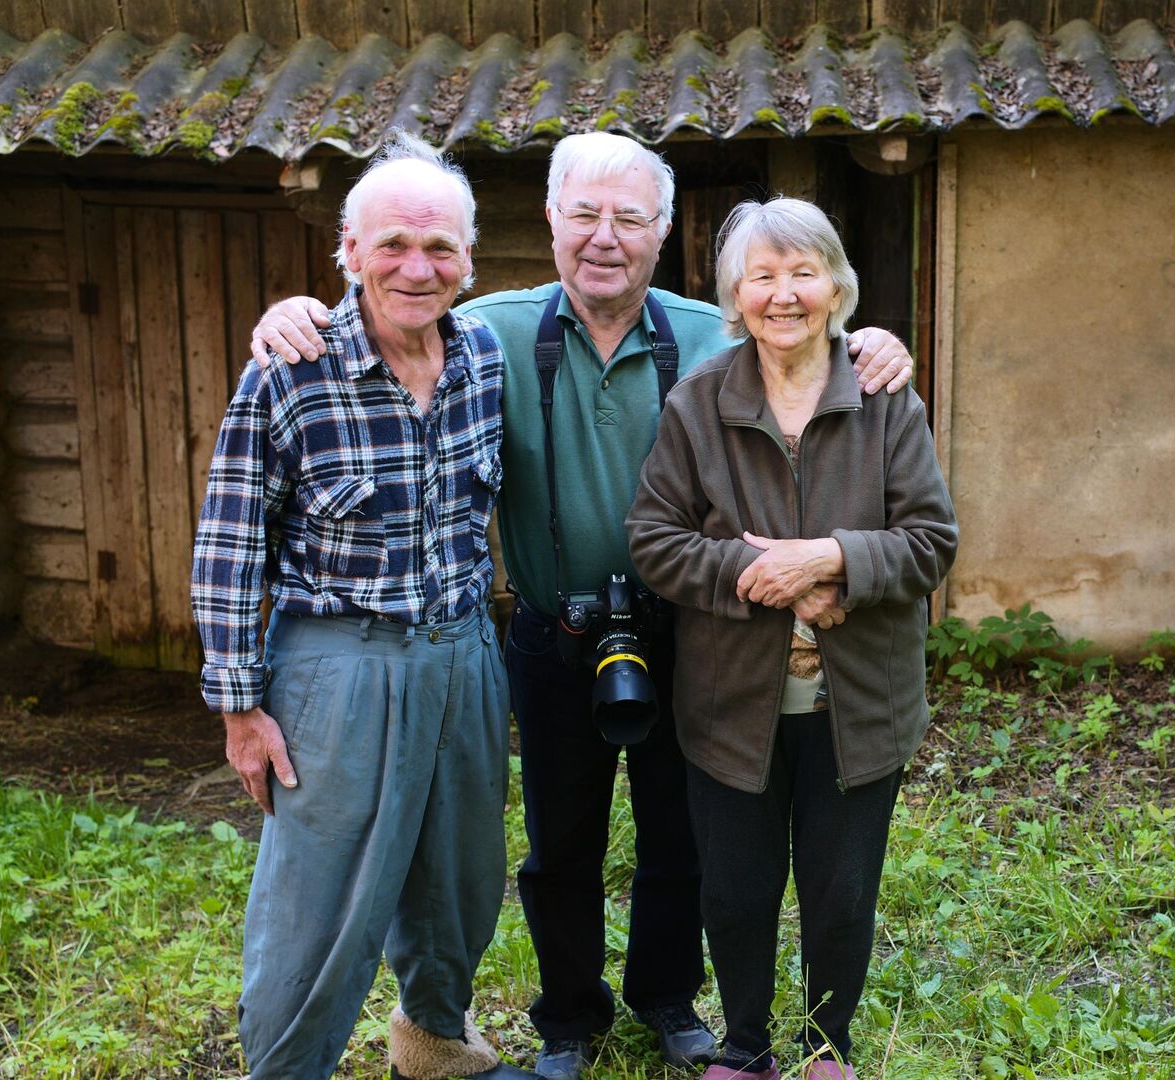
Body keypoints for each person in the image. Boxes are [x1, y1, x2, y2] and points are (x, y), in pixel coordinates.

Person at [250, 132, 917, 1079]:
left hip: (692, 628)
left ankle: (667, 1000)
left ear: (663, 231)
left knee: (680, 835)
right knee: (557, 843)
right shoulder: (489, 329)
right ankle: (567, 1017)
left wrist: (876, 341)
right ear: (551, 222)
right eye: (586, 215)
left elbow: (804, 328)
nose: (606, 238)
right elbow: (394, 302)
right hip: (547, 631)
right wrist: (297, 315)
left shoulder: (710, 332)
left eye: (631, 218)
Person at [191, 131, 536, 1080]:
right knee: (319, 906)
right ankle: (286, 1066)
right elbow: (228, 549)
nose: (416, 269)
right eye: (391, 245)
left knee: (460, 878)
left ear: (470, 260)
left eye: (440, 249)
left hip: (464, 656)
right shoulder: (288, 369)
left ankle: (432, 1038)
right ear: (348, 250)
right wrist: (240, 709)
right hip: (339, 668)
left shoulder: (484, 361)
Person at [626, 197, 957, 1080]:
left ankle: (826, 1048)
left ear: (837, 286)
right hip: (733, 702)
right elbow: (656, 541)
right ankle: (744, 1048)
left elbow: (932, 541)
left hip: (860, 703)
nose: (784, 294)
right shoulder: (699, 404)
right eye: (762, 276)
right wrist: (763, 578)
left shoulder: (885, 396)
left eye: (803, 273)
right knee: (734, 892)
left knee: (840, 891)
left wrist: (826, 559)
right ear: (735, 294)